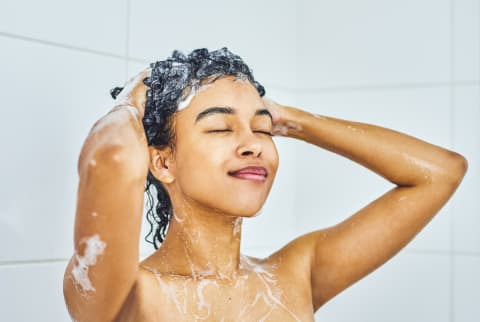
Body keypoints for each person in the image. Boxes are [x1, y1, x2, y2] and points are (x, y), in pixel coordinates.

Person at [63, 47, 468, 322]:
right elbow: (112, 160)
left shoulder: (295, 275)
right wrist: (130, 105)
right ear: (162, 161)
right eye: (220, 127)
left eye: (262, 129)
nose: (253, 144)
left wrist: (295, 120)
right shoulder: (125, 297)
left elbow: (440, 172)